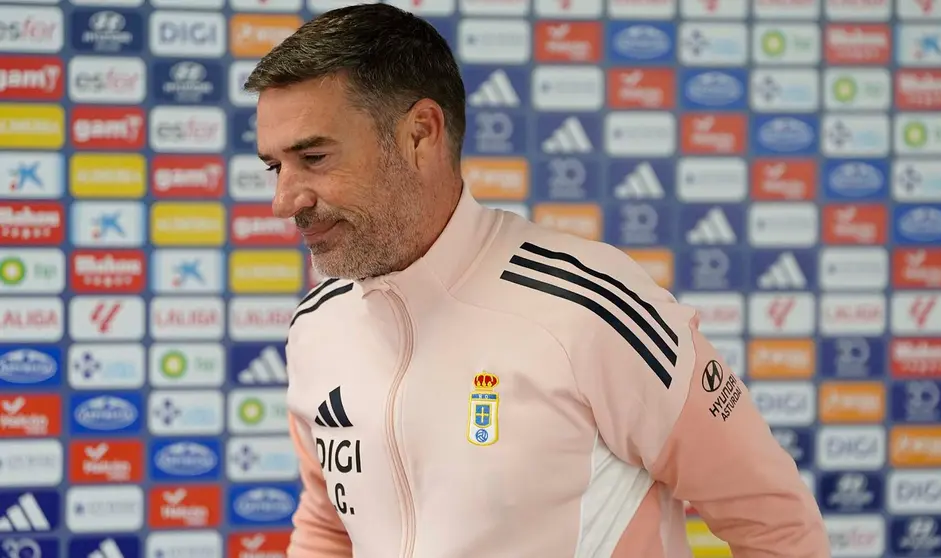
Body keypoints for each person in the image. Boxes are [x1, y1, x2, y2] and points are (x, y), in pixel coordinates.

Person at [246, 4, 830, 557]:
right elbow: (328, 524)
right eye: (276, 167)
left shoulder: (589, 305)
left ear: (421, 133)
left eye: (314, 158)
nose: (283, 200)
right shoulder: (316, 327)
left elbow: (776, 525)